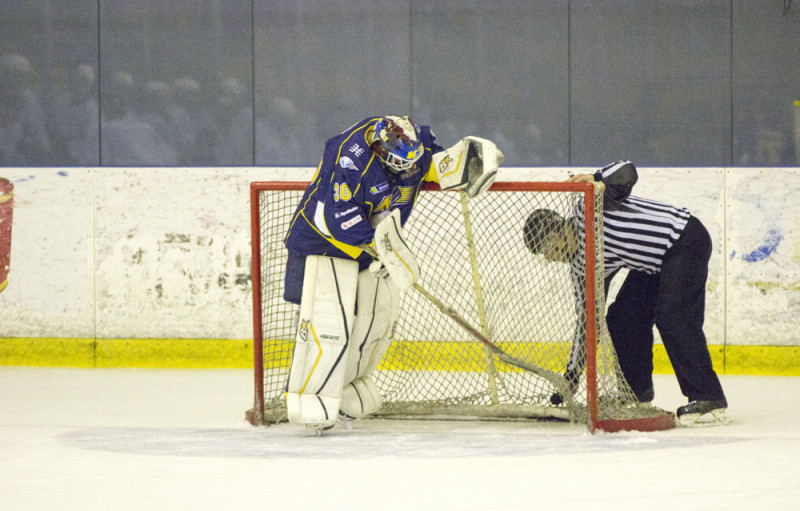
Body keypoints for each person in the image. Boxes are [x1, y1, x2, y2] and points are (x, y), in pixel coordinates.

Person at [282, 114, 503, 432]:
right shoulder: (350, 160)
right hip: (321, 244)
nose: (411, 171)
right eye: (403, 165)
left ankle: (349, 390)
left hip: (369, 246)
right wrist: (378, 249)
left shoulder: (407, 147)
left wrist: (470, 163)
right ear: (380, 153)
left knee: (377, 319)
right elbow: (335, 218)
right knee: (330, 325)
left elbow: (435, 164)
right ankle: (313, 399)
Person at [522, 160, 729, 426]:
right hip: (652, 264)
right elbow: (588, 321)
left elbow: (626, 171)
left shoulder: (588, 207)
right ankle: (635, 393)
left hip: (684, 239)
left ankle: (709, 397)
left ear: (552, 237)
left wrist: (597, 178)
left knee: (673, 318)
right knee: (621, 318)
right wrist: (572, 376)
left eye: (544, 252)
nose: (548, 260)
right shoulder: (580, 266)